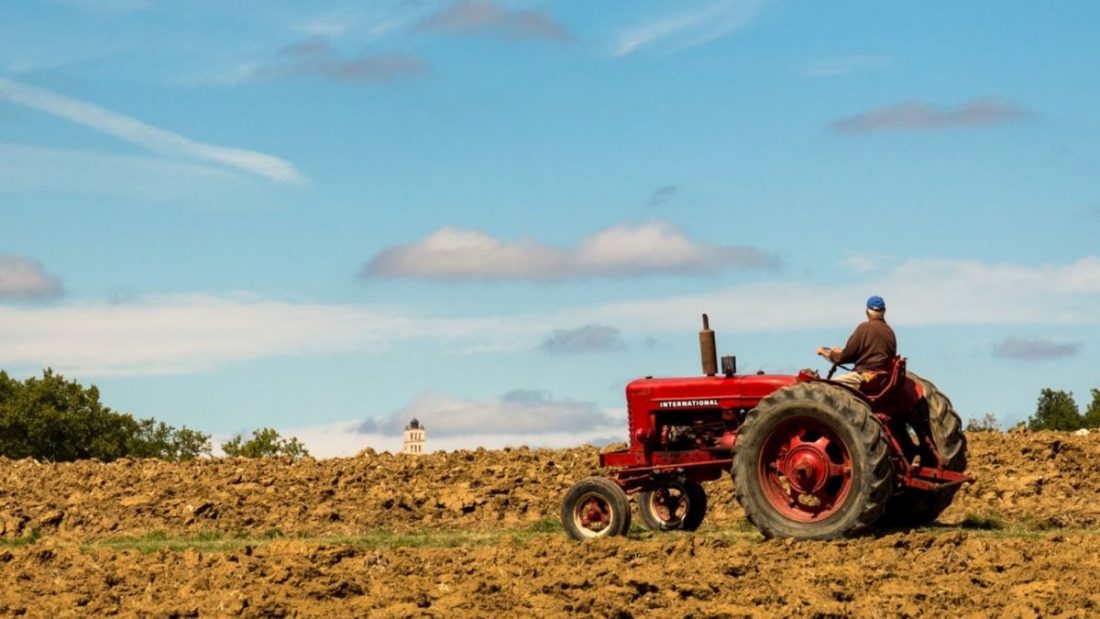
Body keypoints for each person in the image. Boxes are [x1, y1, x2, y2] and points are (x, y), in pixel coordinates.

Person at [816, 295, 897, 388]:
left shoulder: (863, 328)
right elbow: (873, 355)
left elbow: (843, 357)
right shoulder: (890, 332)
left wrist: (826, 353)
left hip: (864, 376)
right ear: (884, 311)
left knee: (824, 387)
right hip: (881, 379)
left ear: (867, 311)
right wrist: (840, 352)